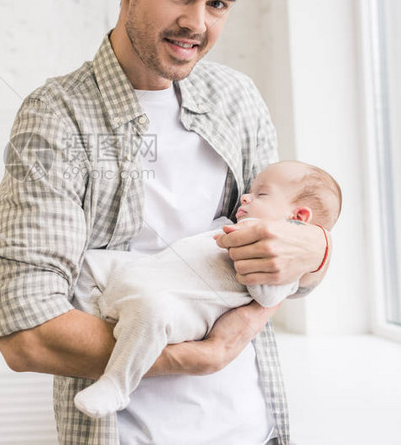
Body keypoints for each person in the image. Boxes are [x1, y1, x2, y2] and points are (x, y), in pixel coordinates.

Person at [0, 0, 330, 445]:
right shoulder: (57, 118)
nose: (196, 23)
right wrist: (197, 357)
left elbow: (291, 266)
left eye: (219, 4)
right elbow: (26, 333)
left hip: (257, 430)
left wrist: (316, 251)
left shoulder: (236, 99)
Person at [72, 161, 342, 419]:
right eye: (250, 191)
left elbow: (268, 296)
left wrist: (259, 256)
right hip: (147, 272)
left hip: (180, 307)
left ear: (297, 218)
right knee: (88, 263)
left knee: (151, 312)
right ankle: (102, 312)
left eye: (261, 194)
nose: (246, 197)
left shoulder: (281, 266)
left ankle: (117, 385)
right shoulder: (234, 224)